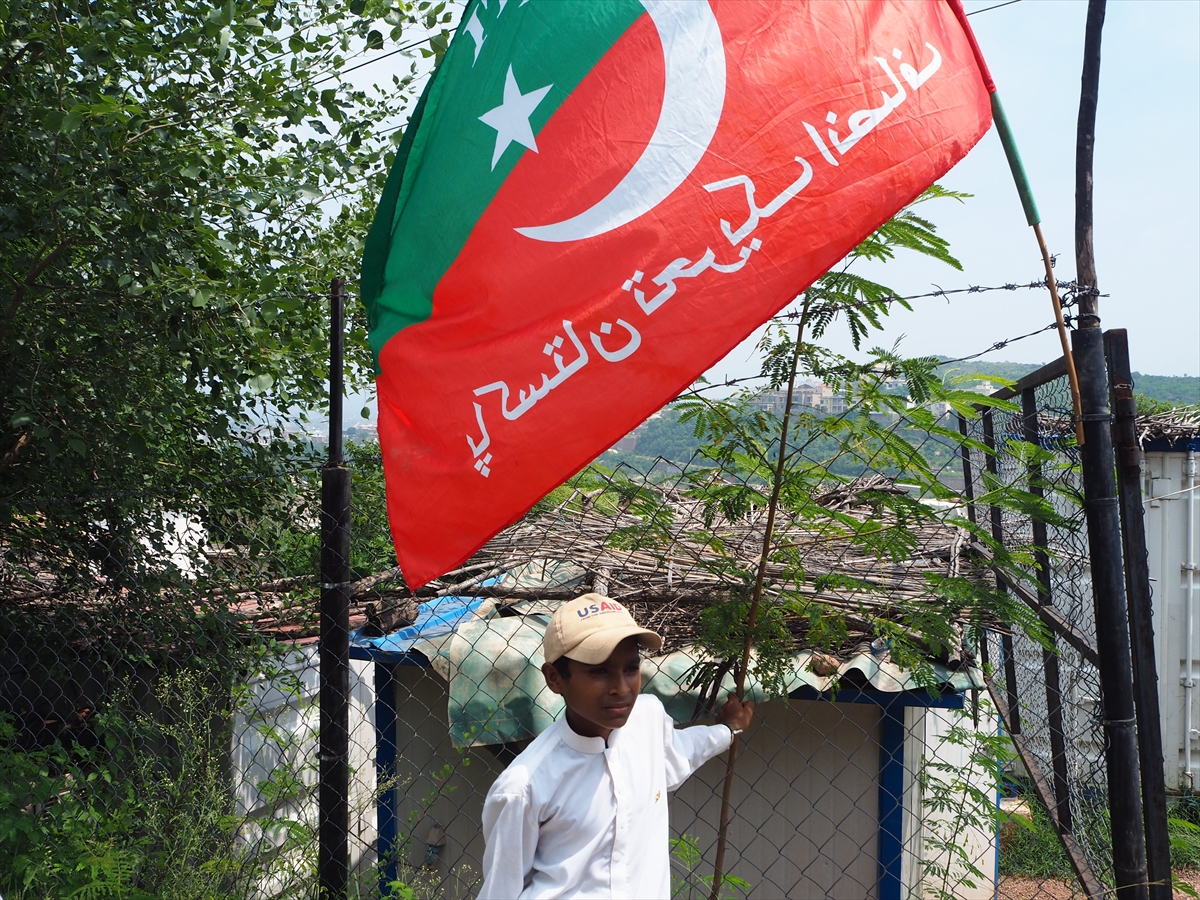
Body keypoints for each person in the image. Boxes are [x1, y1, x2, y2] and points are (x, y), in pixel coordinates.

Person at [477, 593, 754, 899]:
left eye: (631, 669)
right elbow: (501, 890)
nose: (621, 688)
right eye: (598, 671)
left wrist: (727, 730)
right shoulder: (523, 788)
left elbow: (680, 751)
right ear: (555, 678)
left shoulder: (647, 719)